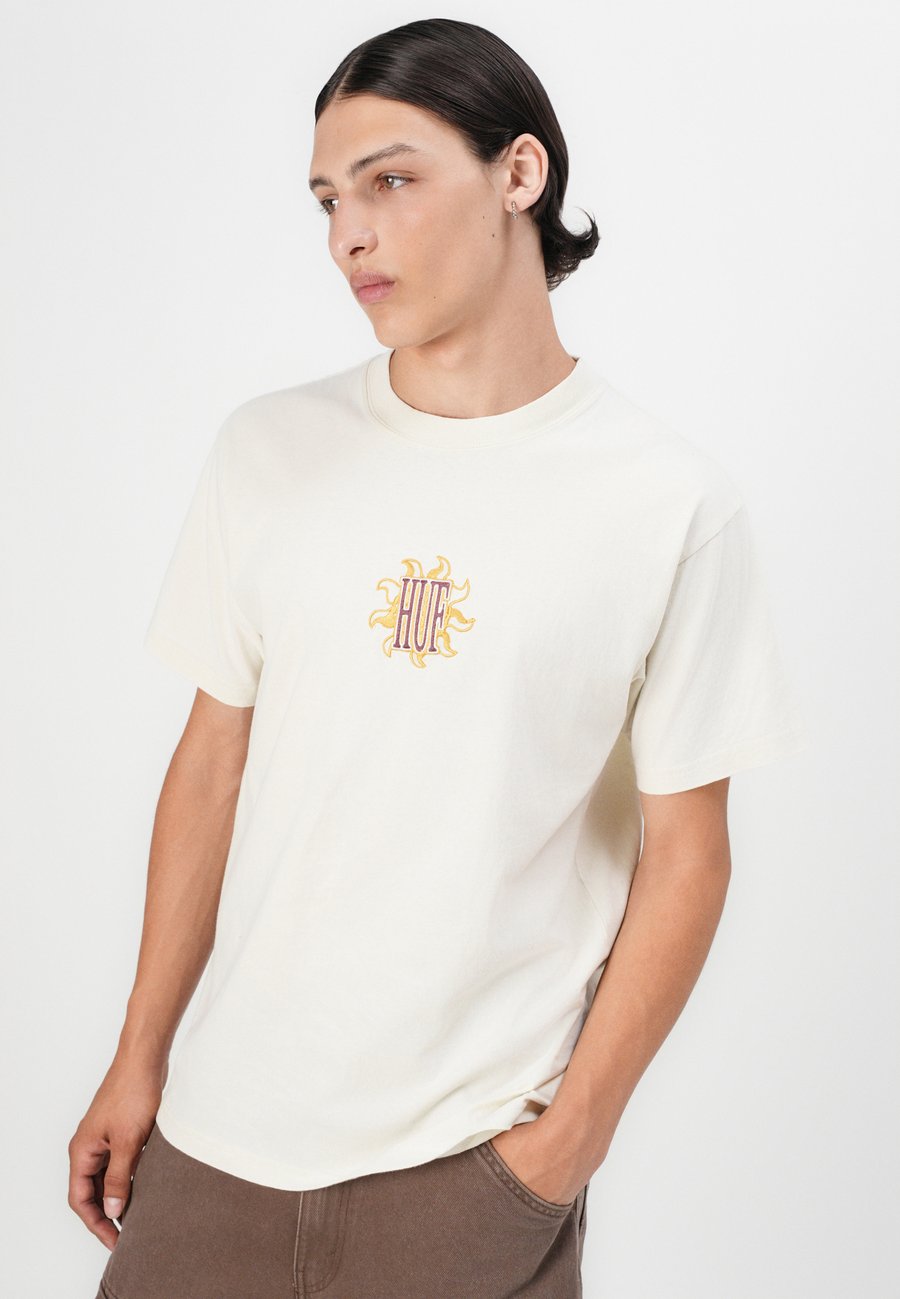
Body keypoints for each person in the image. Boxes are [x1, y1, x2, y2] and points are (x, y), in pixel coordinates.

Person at [70, 17, 808, 1299]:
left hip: (468, 1177)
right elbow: (211, 763)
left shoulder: (667, 503)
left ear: (519, 173)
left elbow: (690, 854)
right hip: (214, 1148)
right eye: (328, 200)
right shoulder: (268, 451)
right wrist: (139, 1059)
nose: (349, 235)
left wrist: (562, 1152)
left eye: (392, 181)